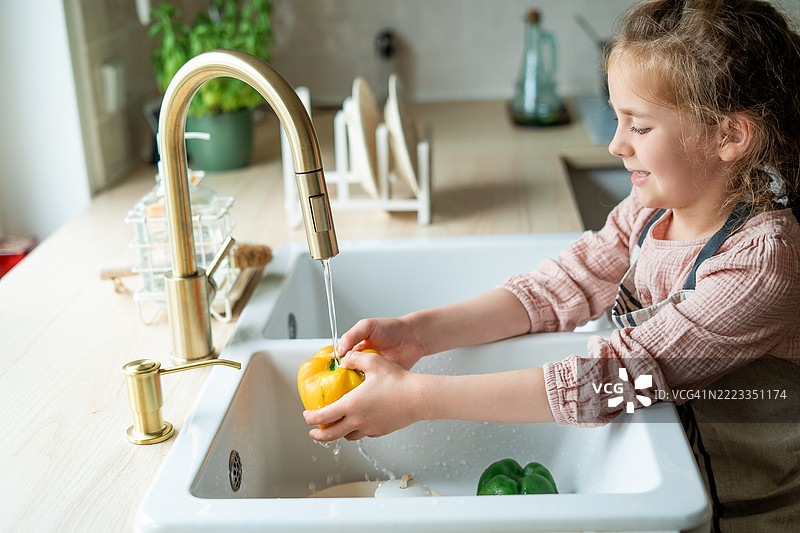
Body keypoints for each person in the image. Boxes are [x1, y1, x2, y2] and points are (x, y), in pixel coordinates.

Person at [302, 0, 800, 530]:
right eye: (616, 118)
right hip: (687, 474)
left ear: (728, 136)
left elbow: (613, 380)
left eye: (640, 126)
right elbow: (561, 286)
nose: (615, 143)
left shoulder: (761, 264)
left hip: (752, 515)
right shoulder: (650, 211)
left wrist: (417, 399)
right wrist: (419, 332)